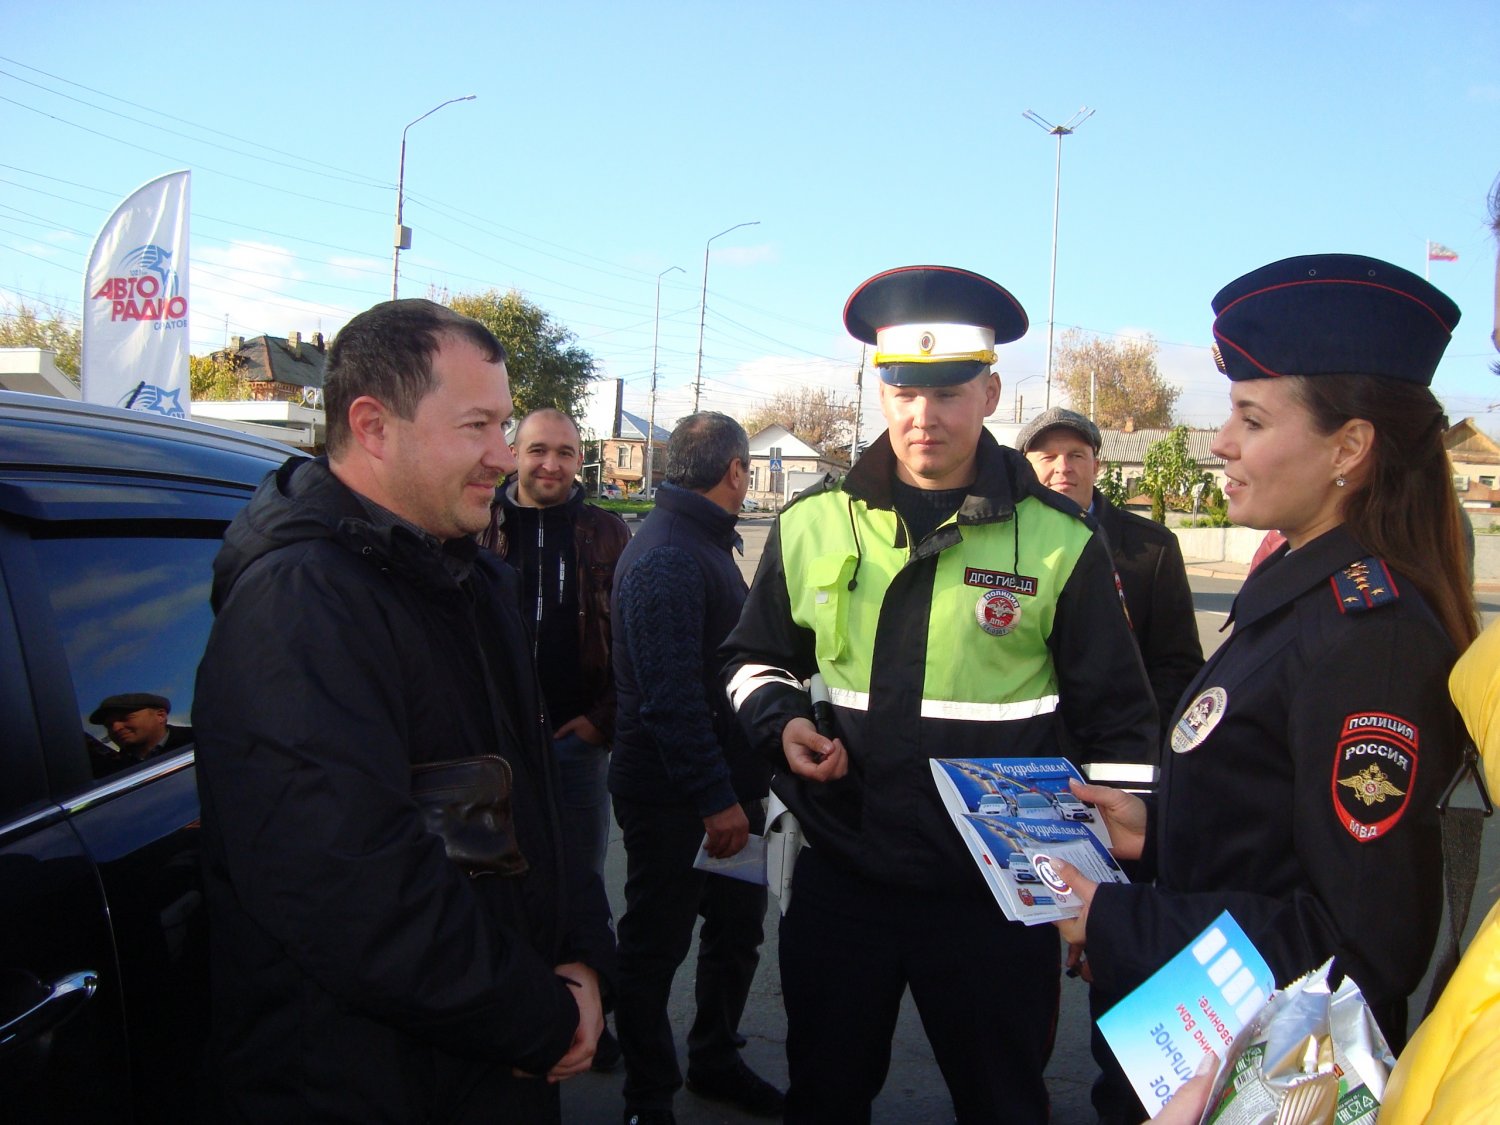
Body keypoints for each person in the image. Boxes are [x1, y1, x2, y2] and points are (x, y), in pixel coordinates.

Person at [720, 265, 1159, 1124]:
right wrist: (781, 727)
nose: (924, 416)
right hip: (844, 876)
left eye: (950, 392)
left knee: (1003, 1103)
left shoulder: (1060, 539)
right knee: (824, 1095)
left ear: (991, 390)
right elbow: (751, 659)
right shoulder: (813, 522)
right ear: (878, 389)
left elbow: (1118, 720)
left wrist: (1109, 888)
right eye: (902, 390)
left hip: (994, 896)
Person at [1056, 253, 1479, 1124]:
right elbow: (1275, 819)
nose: (1219, 443)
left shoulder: (1375, 640)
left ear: (1349, 448)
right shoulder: (1305, 592)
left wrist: (1114, 923)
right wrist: (1154, 832)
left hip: (1263, 1085)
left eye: (1250, 417)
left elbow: (1359, 946)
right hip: (1187, 1053)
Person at [193, 299, 614, 1124]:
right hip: (372, 1084)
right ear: (374, 426)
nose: (504, 455)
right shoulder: (299, 606)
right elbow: (351, 890)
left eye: (504, 424)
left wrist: (581, 954)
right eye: (477, 426)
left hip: (492, 1059)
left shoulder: (469, 574)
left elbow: (531, 807)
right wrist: (543, 1017)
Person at [609, 412, 782, 1125]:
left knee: (736, 930)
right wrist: (716, 800)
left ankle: (714, 1057)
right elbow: (672, 699)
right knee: (655, 945)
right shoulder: (671, 555)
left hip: (730, 791)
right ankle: (648, 1095)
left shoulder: (702, 541)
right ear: (737, 471)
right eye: (752, 472)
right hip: (677, 801)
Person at [479, 407, 631, 1072]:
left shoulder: (605, 530)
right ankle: (517, 1010)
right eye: (538, 449)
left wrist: (604, 717)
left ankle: (587, 1010)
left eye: (565, 452)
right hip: (494, 740)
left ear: (581, 458)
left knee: (579, 876)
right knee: (497, 878)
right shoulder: (479, 522)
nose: (551, 464)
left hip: (575, 742)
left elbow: (630, 639)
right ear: (514, 451)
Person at [1018, 405, 1204, 727]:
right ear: (1026, 468)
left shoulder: (1153, 549)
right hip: (1026, 749)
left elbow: (1177, 666)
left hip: (1115, 751)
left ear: (1096, 466)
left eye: (1076, 455)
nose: (1063, 468)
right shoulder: (1002, 541)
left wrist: (1136, 742)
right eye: (1048, 457)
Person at [87, 691, 194, 775]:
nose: (115, 728)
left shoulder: (200, 741)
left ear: (160, 716)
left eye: (125, 718)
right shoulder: (110, 770)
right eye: (109, 725)